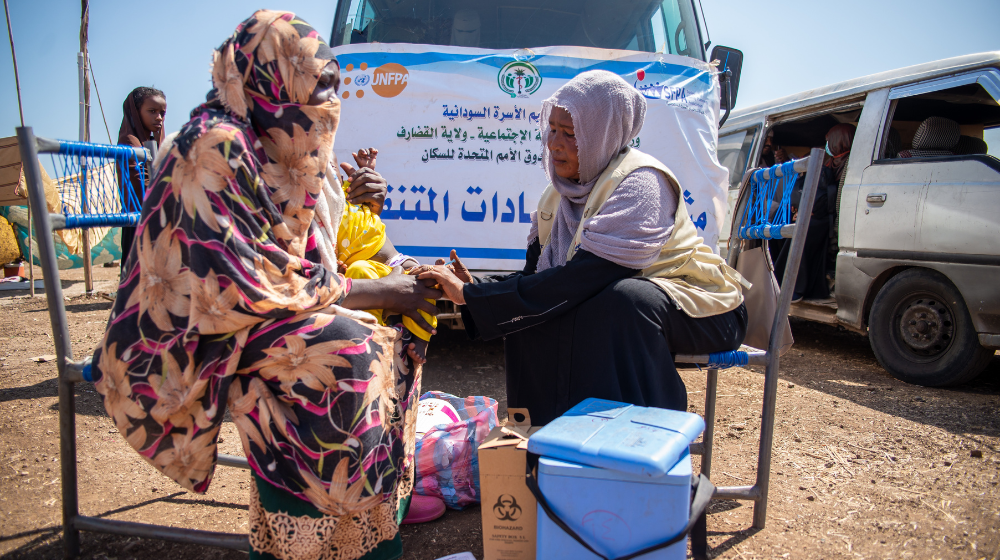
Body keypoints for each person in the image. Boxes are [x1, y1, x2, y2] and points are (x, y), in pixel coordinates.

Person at [91, 11, 441, 560]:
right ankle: (309, 535)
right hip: (188, 332)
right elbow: (241, 282)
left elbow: (306, 251)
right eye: (312, 92)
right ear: (273, 79)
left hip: (253, 311)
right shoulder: (215, 147)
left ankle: (372, 518)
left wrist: (398, 274)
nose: (323, 109)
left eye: (328, 93)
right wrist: (375, 291)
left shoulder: (270, 142)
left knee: (391, 330)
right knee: (348, 350)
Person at [420, 71, 748, 425]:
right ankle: (542, 430)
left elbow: (583, 279)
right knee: (535, 311)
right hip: (628, 303)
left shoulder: (641, 184)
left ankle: (647, 435)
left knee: (621, 300)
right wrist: (474, 288)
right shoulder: (556, 197)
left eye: (571, 133)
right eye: (553, 129)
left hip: (703, 308)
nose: (554, 143)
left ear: (603, 133)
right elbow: (540, 279)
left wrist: (478, 297)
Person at [338, 147, 436, 364]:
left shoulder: (348, 198)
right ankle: (373, 332)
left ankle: (421, 339)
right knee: (358, 272)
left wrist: (366, 173)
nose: (334, 179)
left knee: (426, 278)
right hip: (362, 265)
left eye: (336, 176)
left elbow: (363, 188)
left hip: (393, 260)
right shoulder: (319, 212)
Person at [772, 123, 855, 301]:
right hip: (817, 213)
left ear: (838, 141)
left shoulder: (851, 164)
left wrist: (811, 212)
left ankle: (795, 287)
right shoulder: (831, 163)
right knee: (780, 223)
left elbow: (836, 199)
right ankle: (777, 280)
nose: (827, 146)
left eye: (828, 142)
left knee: (803, 231)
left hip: (831, 218)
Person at [117, 87, 166, 264]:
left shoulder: (151, 142)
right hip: (138, 218)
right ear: (136, 113)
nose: (159, 117)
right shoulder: (130, 142)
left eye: (162, 112)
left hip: (152, 214)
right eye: (152, 111)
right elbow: (139, 183)